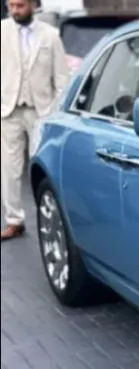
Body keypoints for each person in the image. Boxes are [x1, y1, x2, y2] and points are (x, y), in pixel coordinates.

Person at [1, 0, 69, 241]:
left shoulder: (50, 36)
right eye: (11, 6)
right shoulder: (2, 32)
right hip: (9, 111)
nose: (15, 10)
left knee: (45, 168)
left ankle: (53, 217)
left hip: (41, 112)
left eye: (20, 5)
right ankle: (14, 220)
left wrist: (57, 114)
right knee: (9, 169)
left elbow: (61, 79)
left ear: (32, 5)